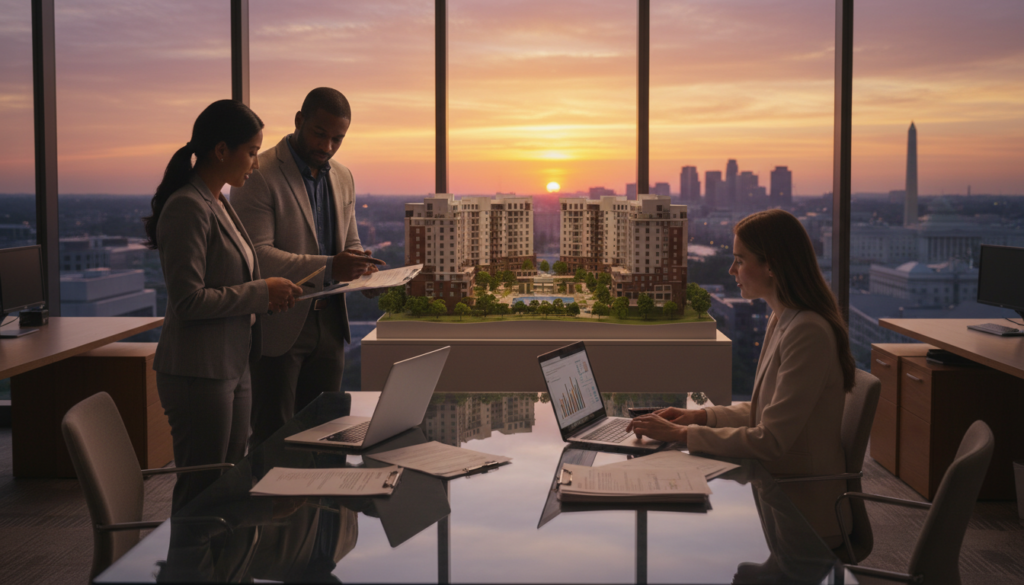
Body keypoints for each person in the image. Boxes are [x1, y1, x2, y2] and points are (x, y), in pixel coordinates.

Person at [626, 209, 856, 546]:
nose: (732, 270)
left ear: (771, 265)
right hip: (777, 489)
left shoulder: (808, 331)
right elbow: (766, 410)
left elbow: (772, 440)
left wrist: (682, 433)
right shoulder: (784, 319)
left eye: (739, 259)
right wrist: (699, 416)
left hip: (804, 510)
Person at [145, 99, 302, 513]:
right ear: (220, 150)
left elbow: (233, 282)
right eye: (251, 151)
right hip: (198, 371)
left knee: (229, 483)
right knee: (201, 490)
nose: (255, 162)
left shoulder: (219, 202)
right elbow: (187, 300)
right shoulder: (187, 206)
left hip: (232, 364)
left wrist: (267, 296)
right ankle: (187, 572)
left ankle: (227, 573)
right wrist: (259, 292)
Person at [231, 87, 385, 449]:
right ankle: (273, 507)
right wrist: (333, 266)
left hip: (330, 324)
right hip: (280, 325)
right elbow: (256, 256)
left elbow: (351, 245)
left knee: (327, 436)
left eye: (337, 138)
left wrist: (367, 274)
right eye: (320, 133)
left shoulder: (343, 176)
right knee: (275, 439)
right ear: (299, 121)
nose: (328, 146)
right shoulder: (260, 172)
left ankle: (323, 505)